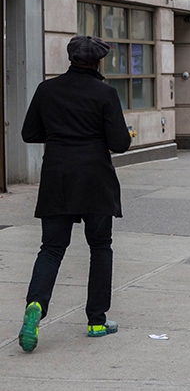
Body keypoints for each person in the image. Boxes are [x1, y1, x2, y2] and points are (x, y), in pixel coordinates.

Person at [18, 36, 132, 352]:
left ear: (70, 60)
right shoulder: (106, 94)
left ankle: (36, 306)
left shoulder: (47, 90)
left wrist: (58, 134)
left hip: (57, 176)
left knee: (51, 248)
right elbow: (120, 143)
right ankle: (96, 320)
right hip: (95, 178)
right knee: (100, 246)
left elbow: (29, 133)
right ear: (97, 62)